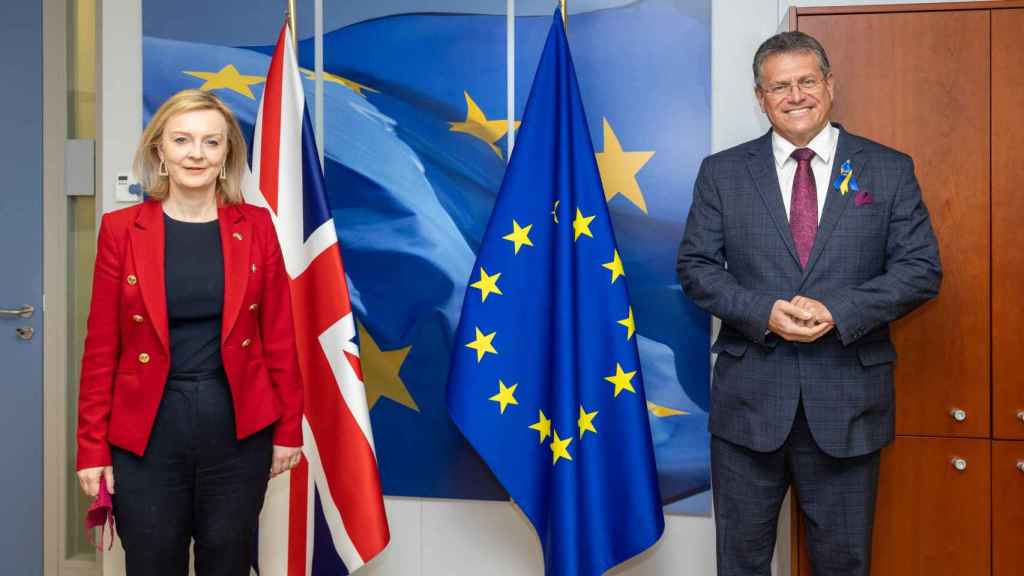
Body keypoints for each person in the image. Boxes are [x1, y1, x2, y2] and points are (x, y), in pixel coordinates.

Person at [678, 32, 942, 576]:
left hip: (847, 403)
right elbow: (696, 269)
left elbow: (920, 270)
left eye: (806, 81)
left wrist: (840, 310)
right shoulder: (722, 174)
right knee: (741, 563)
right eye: (779, 86)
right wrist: (763, 311)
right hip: (749, 408)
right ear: (761, 96)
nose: (795, 95)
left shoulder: (888, 169)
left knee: (843, 563)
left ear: (829, 85)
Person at [75, 89, 303, 575]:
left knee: (229, 562)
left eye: (210, 142)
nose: (196, 154)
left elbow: (279, 337)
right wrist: (92, 448)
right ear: (160, 149)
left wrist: (288, 429)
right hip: (147, 433)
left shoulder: (258, 227)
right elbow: (101, 349)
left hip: (238, 428)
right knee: (153, 563)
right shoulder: (121, 229)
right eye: (182, 140)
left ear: (226, 154)